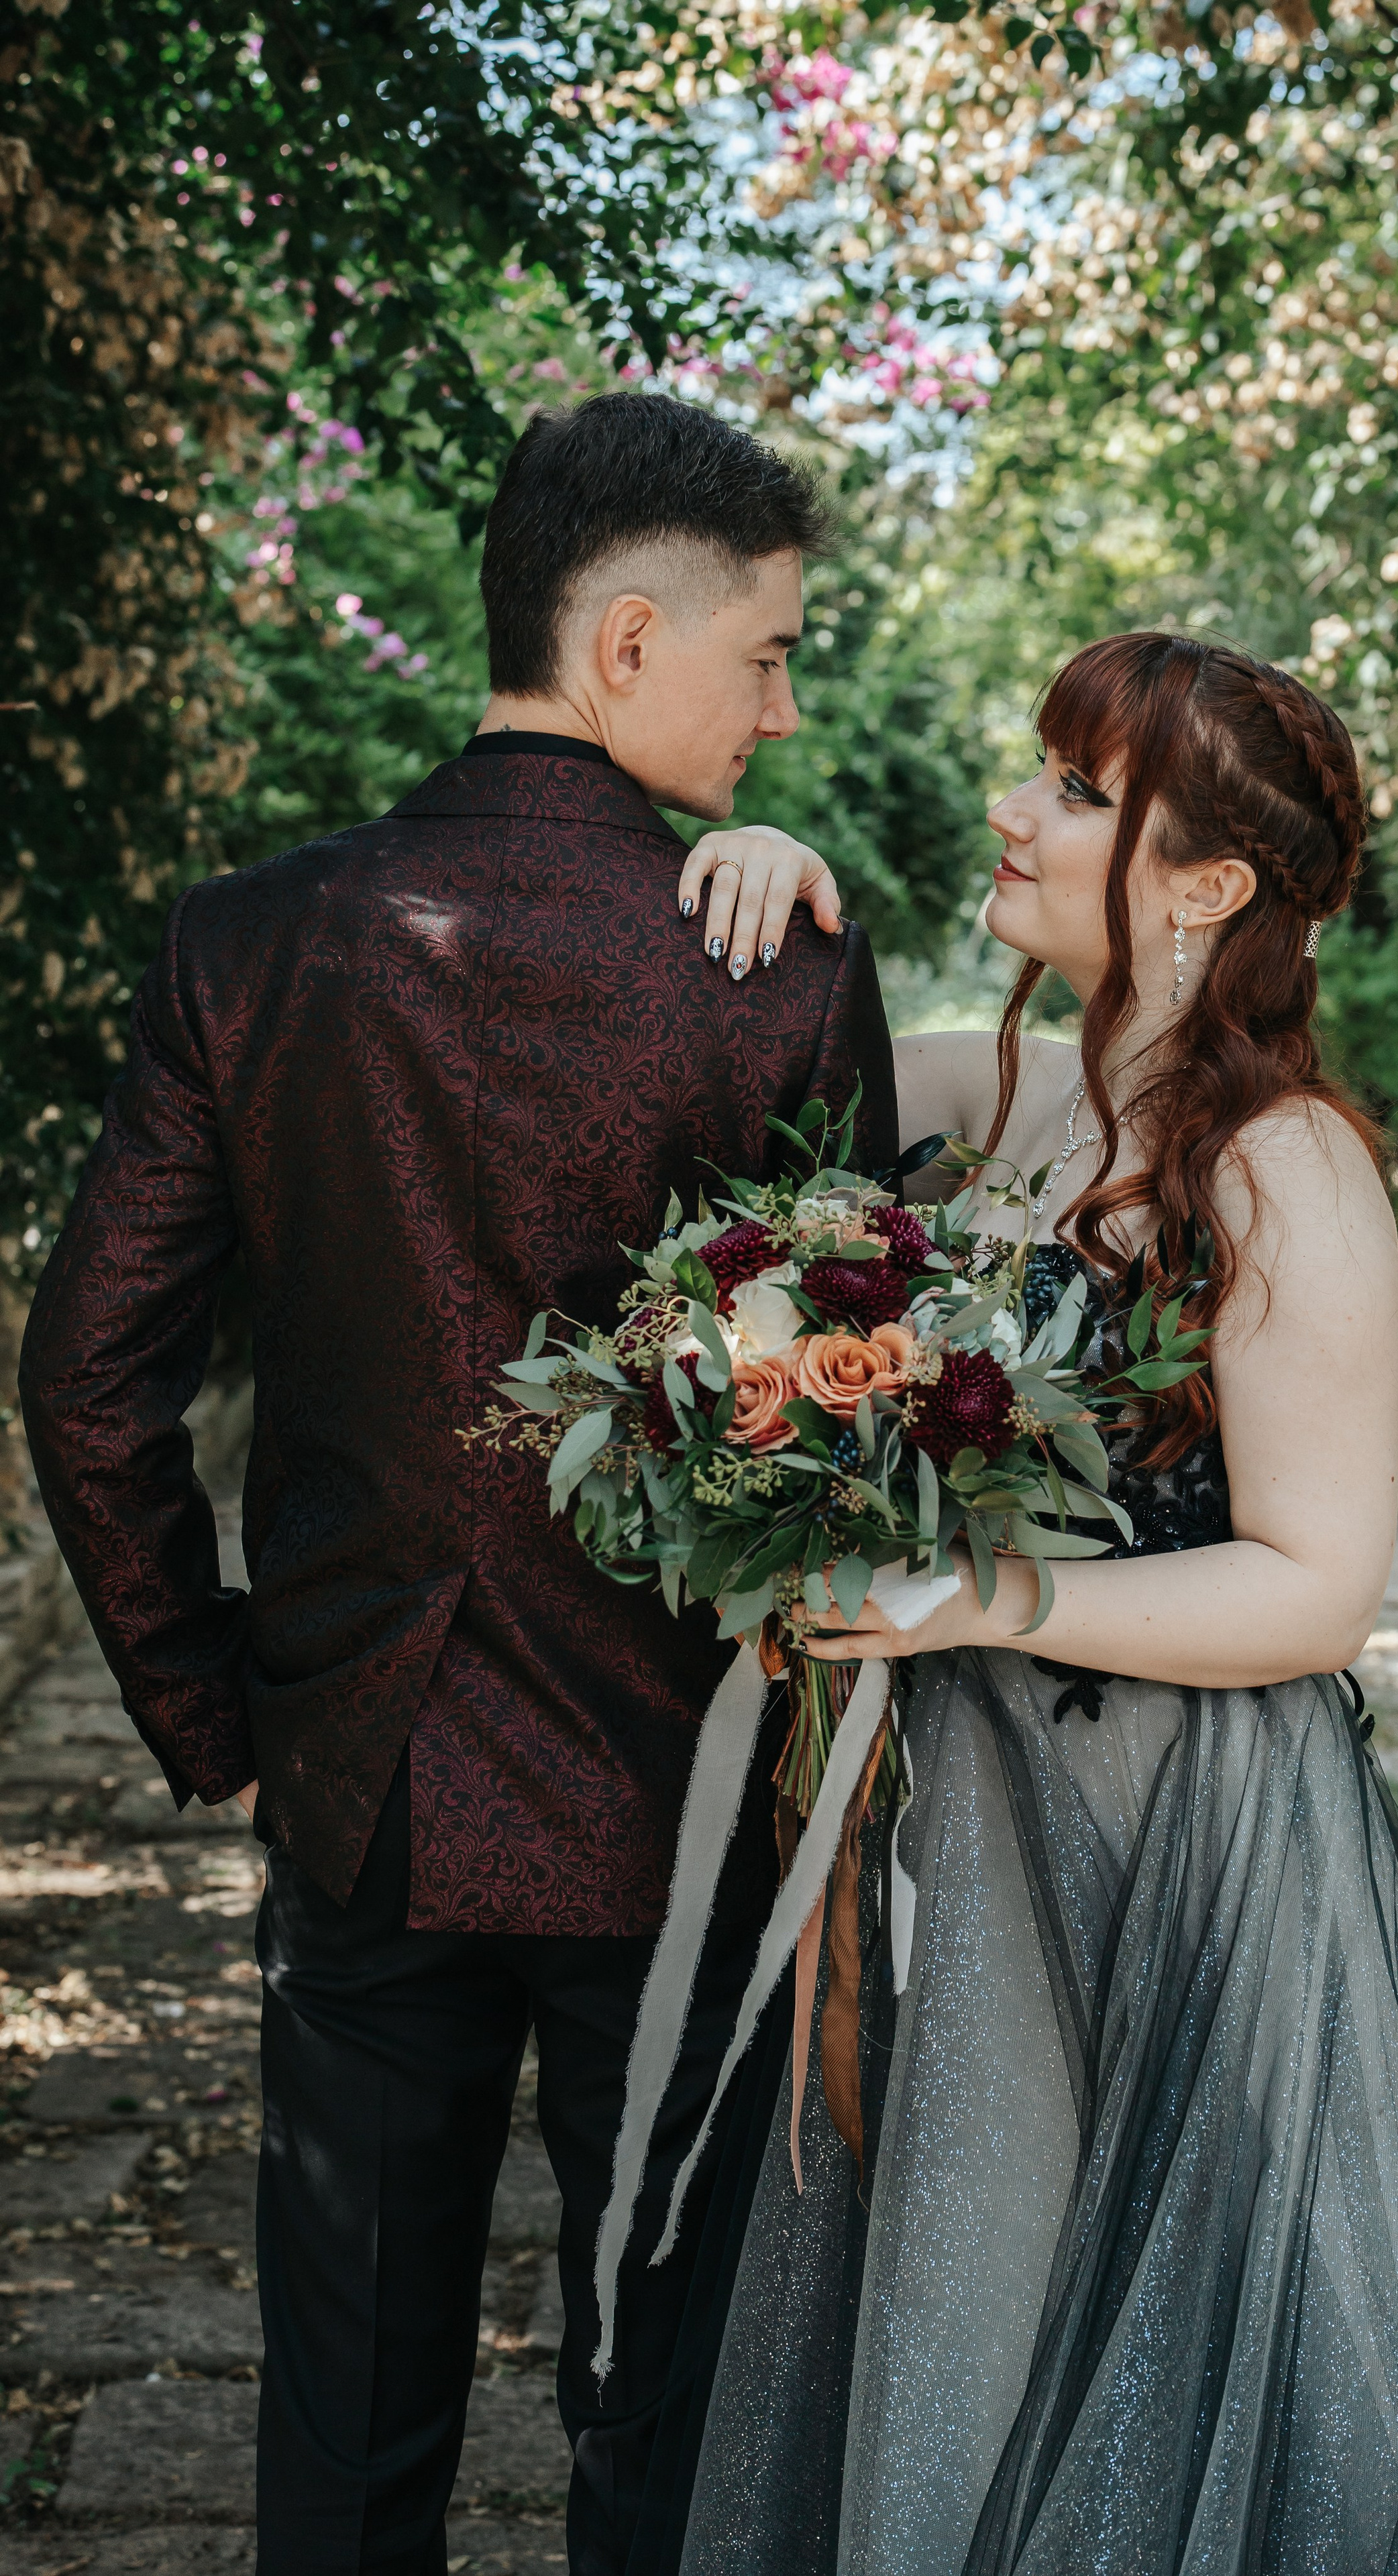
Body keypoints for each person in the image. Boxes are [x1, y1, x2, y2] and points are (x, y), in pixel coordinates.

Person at [672, 632, 1398, 2573]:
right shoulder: (1000, 1099)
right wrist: (772, 872)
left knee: (1216, 2359)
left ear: (1206, 880)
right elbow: (754, 1063)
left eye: (1073, 787)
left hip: (1191, 1842)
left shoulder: (1288, 1166)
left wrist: (981, 1589)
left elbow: (1319, 1591)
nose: (1014, 809)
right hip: (977, 1818)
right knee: (977, 2296)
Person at [17, 390, 896, 2576]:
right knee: (661, 2422)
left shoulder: (254, 940)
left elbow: (86, 1379)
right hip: (682, 1798)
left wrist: (215, 1706)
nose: (786, 712)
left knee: (348, 2416)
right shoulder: (778, 970)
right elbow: (864, 1396)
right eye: (765, 654)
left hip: (365, 1778)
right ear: (621, 642)